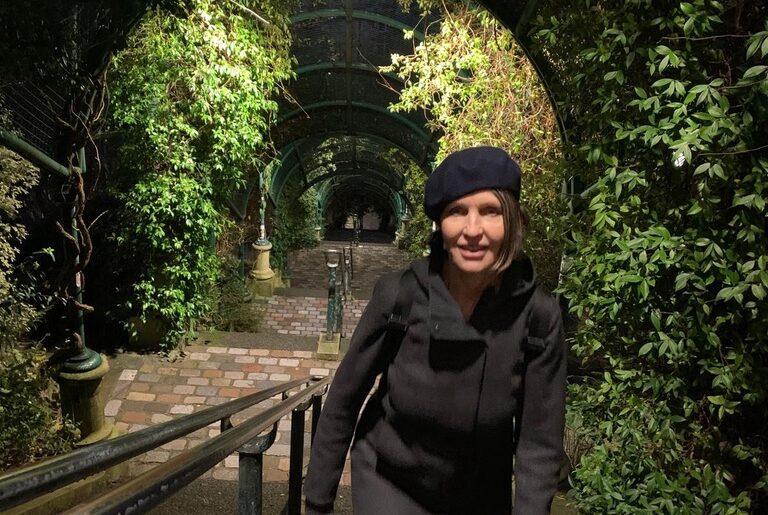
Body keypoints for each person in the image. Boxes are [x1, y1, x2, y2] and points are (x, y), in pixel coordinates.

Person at [304, 146, 567, 514]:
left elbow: (539, 443)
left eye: (490, 211)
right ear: (441, 226)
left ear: (513, 222)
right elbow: (344, 402)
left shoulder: (538, 316)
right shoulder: (400, 296)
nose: (472, 230)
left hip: (480, 495)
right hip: (391, 481)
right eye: (457, 212)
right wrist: (318, 501)